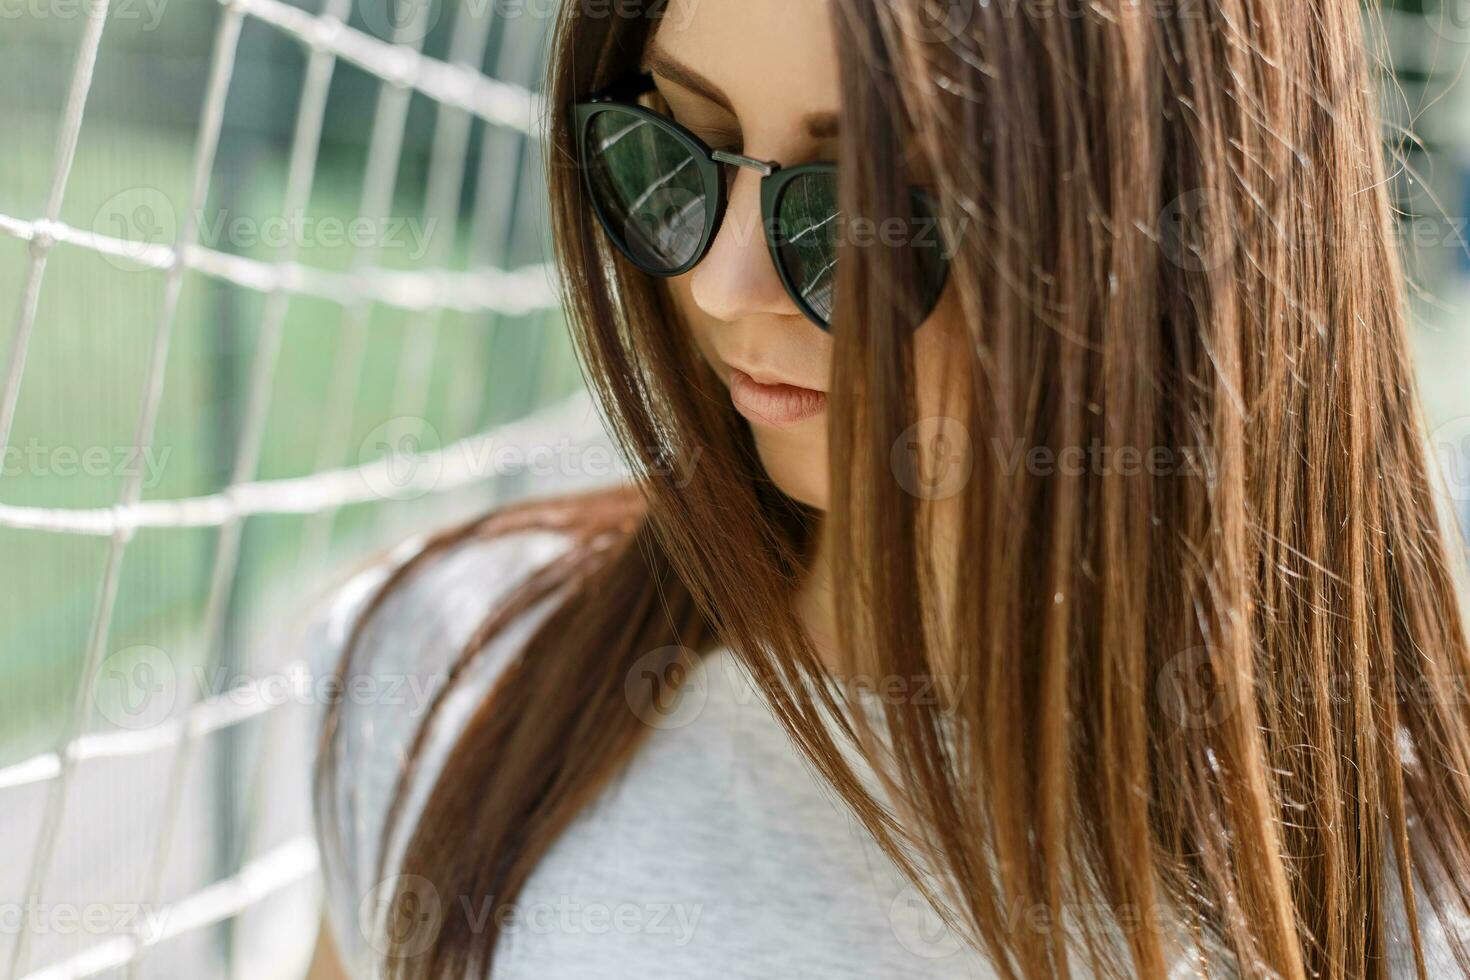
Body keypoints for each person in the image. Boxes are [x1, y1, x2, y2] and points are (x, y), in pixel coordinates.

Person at [307, 0, 1470, 976]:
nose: (723, 286)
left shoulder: (1407, 890)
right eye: (673, 148)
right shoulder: (447, 679)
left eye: (863, 208)